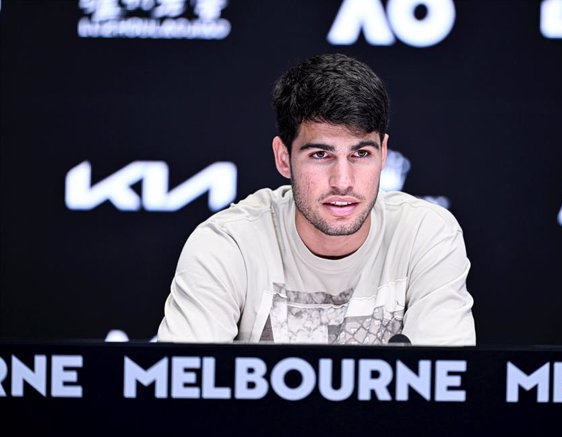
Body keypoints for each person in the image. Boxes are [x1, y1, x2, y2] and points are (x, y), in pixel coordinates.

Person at [157, 53, 475, 345]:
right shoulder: (228, 245)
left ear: (383, 155)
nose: (343, 181)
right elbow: (185, 395)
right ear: (284, 157)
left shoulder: (426, 235)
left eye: (361, 153)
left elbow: (442, 394)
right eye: (321, 154)